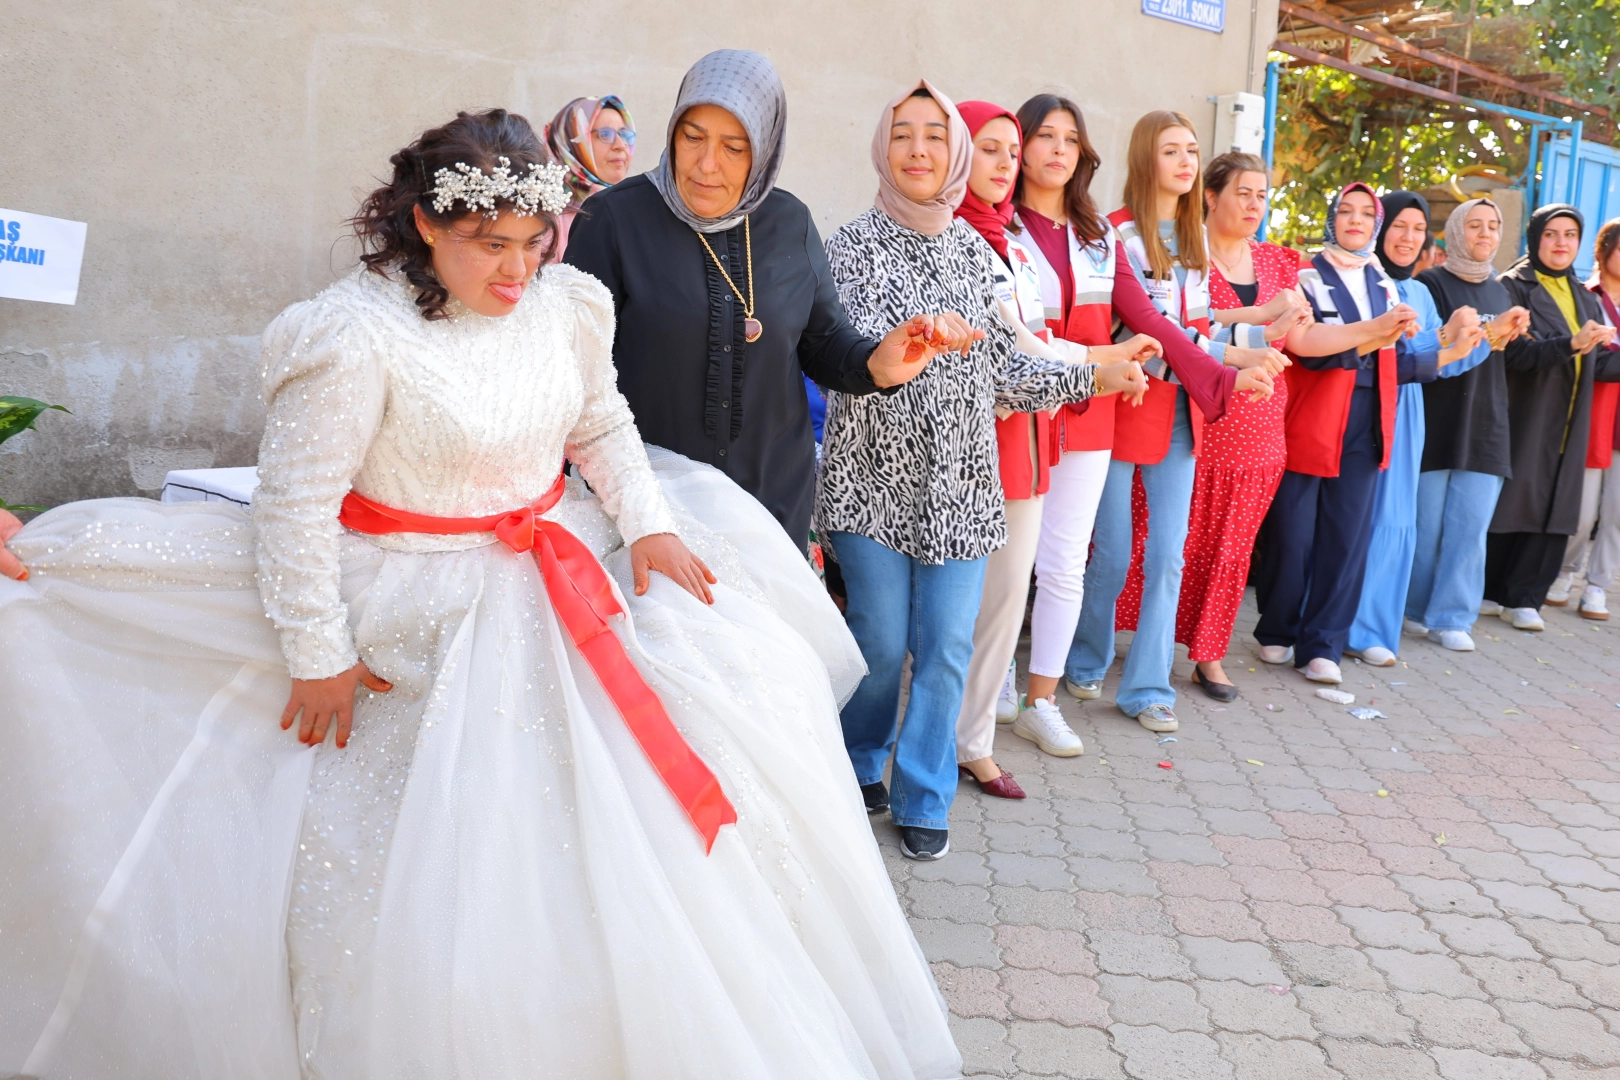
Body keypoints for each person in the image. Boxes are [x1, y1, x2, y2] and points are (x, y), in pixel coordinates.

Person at [0, 109, 965, 1079]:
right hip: (406, 596)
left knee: (678, 767)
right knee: (442, 852)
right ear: (427, 224)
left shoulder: (565, 304)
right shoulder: (353, 334)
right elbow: (293, 509)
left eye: (533, 241)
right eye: (489, 244)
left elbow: (601, 420)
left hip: (558, 567)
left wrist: (647, 521)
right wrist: (317, 651)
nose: (516, 269)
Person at [817, 81, 1148, 861]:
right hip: (871, 484)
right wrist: (908, 339)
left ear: (953, 154)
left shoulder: (976, 251)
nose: (920, 149)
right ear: (883, 147)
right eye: (904, 134)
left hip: (963, 487)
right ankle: (860, 760)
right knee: (879, 640)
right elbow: (842, 349)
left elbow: (1007, 366)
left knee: (945, 648)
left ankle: (924, 792)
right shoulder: (847, 246)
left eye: (936, 135)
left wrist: (1095, 376)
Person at [566, 51, 959, 550]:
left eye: (734, 147)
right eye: (693, 137)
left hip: (769, 511)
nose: (707, 164)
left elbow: (822, 342)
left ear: (766, 148)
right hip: (647, 514)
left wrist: (878, 364)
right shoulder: (614, 220)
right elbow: (575, 373)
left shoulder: (789, 223)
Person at [949, 99, 1160, 796]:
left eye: (1071, 139)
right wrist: (1104, 361)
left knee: (1052, 567)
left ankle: (1028, 705)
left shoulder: (1091, 236)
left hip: (1073, 414)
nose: (1053, 151)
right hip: (1007, 418)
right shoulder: (984, 229)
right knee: (986, 576)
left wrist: (1210, 362)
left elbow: (1138, 321)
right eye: (1040, 138)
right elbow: (1022, 345)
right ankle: (975, 705)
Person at [1066, 111, 1281, 733]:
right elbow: (1144, 335)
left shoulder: (1196, 240)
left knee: (1167, 558)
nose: (1187, 162)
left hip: (1181, 414)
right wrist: (1230, 365)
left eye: (1192, 150)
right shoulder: (1113, 235)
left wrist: (1256, 341)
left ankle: (1148, 689)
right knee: (1111, 553)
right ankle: (1086, 657)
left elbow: (1196, 331)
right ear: (1145, 159)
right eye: (1171, 151)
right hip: (1120, 406)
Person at [1251, 183, 1438, 684]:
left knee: (1347, 535)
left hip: (1369, 415)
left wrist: (1457, 345)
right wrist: (1376, 332)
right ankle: (1278, 627)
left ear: (1375, 224)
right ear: (1332, 218)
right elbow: (1307, 350)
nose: (1356, 220)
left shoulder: (1385, 283)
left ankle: (1323, 645)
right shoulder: (1304, 274)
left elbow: (1399, 359)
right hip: (1312, 413)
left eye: (1366, 214)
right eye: (1346, 211)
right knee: (1291, 532)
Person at [1172, 152, 1305, 700]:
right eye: (1243, 192)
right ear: (1211, 196)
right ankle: (1126, 637)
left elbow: (1302, 338)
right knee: (1169, 541)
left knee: (1232, 550)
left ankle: (1209, 655)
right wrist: (1256, 317)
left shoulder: (1277, 261)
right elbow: (1180, 325)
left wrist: (1374, 330)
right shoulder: (1182, 252)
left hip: (1261, 427)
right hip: (1197, 420)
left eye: (1261, 195)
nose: (1254, 205)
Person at [1346, 191, 1489, 665]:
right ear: (1379, 229)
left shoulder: (1421, 293)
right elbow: (1384, 352)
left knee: (1394, 520)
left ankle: (1370, 630)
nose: (1408, 238)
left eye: (1418, 229)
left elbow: (1439, 363)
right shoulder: (1362, 280)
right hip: (1364, 408)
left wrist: (1479, 338)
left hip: (1406, 415)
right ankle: (1335, 622)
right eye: (1399, 226)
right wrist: (1442, 337)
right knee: (1355, 518)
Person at [1485, 204, 1620, 628]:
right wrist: (1571, 344)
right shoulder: (1512, 286)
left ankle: (1526, 597)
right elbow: (1517, 354)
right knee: (1515, 502)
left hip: (1570, 418)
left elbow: (1598, 364)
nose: (1561, 243)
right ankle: (1491, 591)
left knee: (1557, 505)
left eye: (1570, 235)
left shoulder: (1583, 295)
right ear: (1535, 237)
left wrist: (1583, 346)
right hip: (1529, 412)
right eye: (1552, 234)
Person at [1407, 198, 1532, 651]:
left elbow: (1513, 357)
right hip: (1438, 417)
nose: (1485, 234)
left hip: (1486, 422)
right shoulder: (1431, 283)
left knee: (1470, 527)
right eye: (1475, 225)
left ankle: (1453, 617)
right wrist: (1489, 333)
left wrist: (1517, 332)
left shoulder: (1502, 291)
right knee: (1426, 527)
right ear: (1457, 232)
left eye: (1493, 226)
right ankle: (1415, 609)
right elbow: (1433, 349)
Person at [1551, 217, 1620, 618]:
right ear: (1603, 251)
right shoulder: (1585, 297)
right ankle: (1564, 571)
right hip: (1593, 413)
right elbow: (1589, 360)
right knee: (1582, 510)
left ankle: (1597, 585)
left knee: (1617, 512)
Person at [544, 93, 635, 257]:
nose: (621, 145)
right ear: (572, 145)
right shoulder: (547, 221)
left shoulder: (634, 211)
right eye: (605, 134)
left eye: (624, 134)